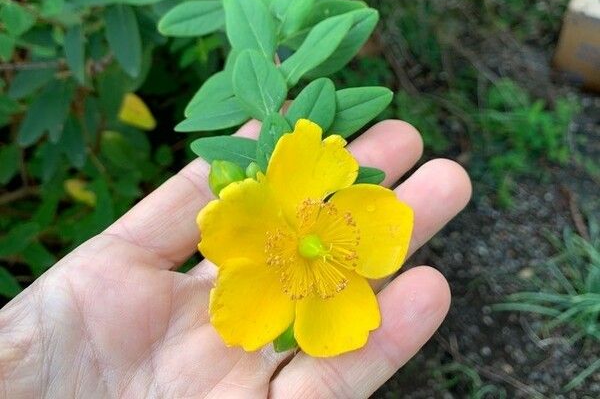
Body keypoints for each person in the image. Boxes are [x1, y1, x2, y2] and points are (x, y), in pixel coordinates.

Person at [0, 120, 471, 398]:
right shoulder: (242, 215)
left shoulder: (345, 227)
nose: (316, 247)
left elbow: (386, 224)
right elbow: (241, 303)